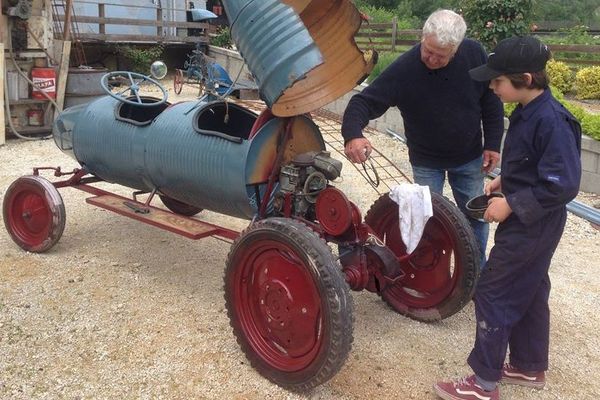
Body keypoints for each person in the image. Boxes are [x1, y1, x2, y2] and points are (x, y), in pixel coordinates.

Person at [433, 36, 582, 400]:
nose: (492, 87)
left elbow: (563, 185)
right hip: (531, 220)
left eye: (497, 81)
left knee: (493, 290)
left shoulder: (553, 121)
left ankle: (483, 383)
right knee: (530, 288)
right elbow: (537, 164)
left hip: (534, 224)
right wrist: (506, 180)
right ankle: (530, 367)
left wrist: (511, 203)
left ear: (526, 79)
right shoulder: (528, 112)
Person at [341, 9, 504, 267]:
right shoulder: (406, 69)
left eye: (440, 56)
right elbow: (364, 101)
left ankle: (475, 272)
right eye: (427, 50)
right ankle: (432, 274)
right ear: (423, 37)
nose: (430, 58)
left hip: (469, 156)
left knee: (476, 216)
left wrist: (493, 144)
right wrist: (353, 135)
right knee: (426, 219)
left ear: (457, 49)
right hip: (426, 160)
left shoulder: (474, 54)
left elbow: (491, 101)